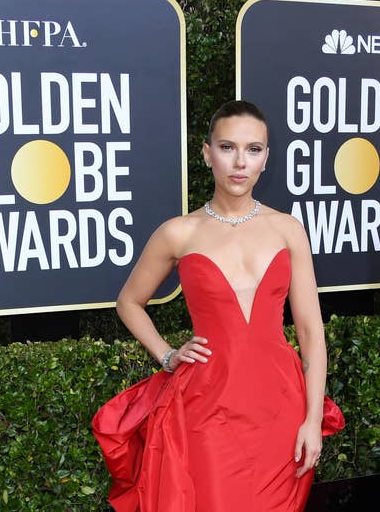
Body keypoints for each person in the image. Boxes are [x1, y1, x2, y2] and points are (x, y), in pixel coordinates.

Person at [92, 100, 344, 512]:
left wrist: (312, 421)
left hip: (280, 409)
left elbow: (311, 333)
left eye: (254, 149)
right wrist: (167, 354)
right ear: (207, 153)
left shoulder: (288, 230)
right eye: (228, 147)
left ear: (266, 157)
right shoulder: (179, 233)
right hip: (207, 408)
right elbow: (129, 302)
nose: (240, 162)